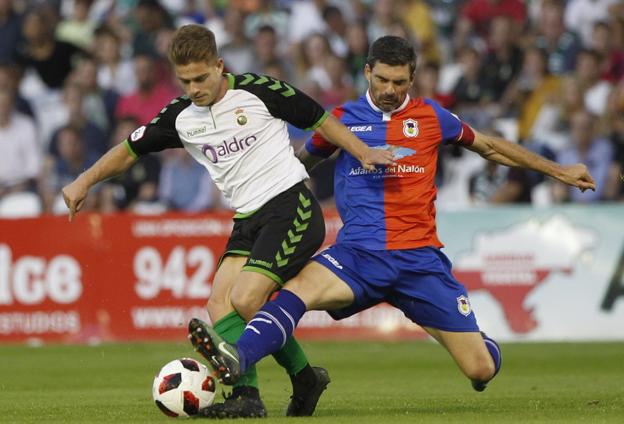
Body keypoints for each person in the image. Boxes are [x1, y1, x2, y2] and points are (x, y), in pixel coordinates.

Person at [187, 35, 597, 402]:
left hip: (419, 261)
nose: (388, 90)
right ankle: (238, 358)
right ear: (367, 71)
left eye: (399, 82)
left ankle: (477, 342)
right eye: (381, 79)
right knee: (293, 293)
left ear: (412, 78)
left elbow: (490, 147)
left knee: (480, 370)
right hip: (358, 257)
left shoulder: (433, 118)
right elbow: (300, 165)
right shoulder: (341, 120)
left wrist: (559, 171)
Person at [61, 25, 393, 418]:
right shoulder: (181, 117)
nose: (194, 88)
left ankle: (278, 379)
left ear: (219, 65)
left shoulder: (259, 90)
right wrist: (85, 180)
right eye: (185, 81)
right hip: (248, 218)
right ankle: (266, 391)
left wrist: (363, 151)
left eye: (201, 77)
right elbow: (130, 149)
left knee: (246, 299)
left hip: (291, 206)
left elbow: (320, 119)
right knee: (220, 306)